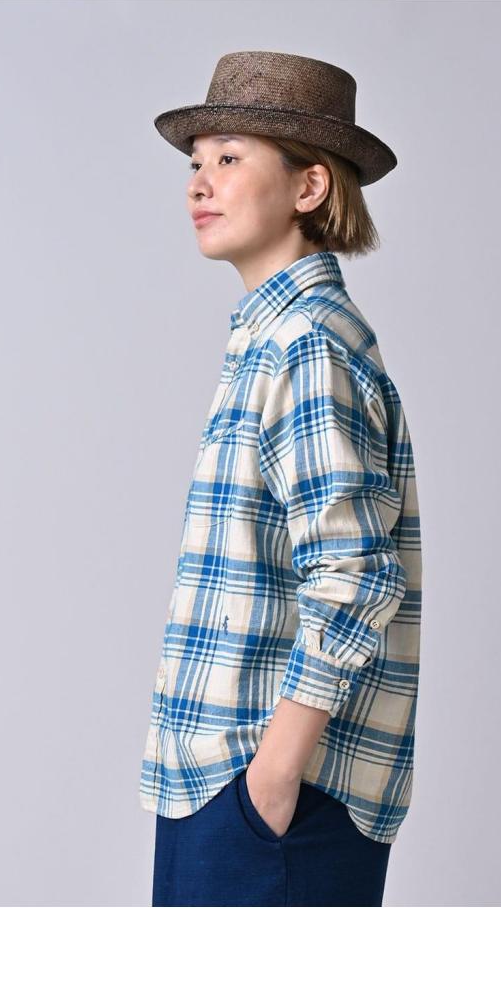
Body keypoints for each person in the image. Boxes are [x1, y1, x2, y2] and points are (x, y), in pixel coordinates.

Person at [139, 50, 423, 906]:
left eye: (229, 158)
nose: (199, 184)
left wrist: (271, 778)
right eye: (195, 164)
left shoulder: (305, 347)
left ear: (310, 187)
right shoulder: (271, 343)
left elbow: (354, 574)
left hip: (271, 795)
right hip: (226, 783)